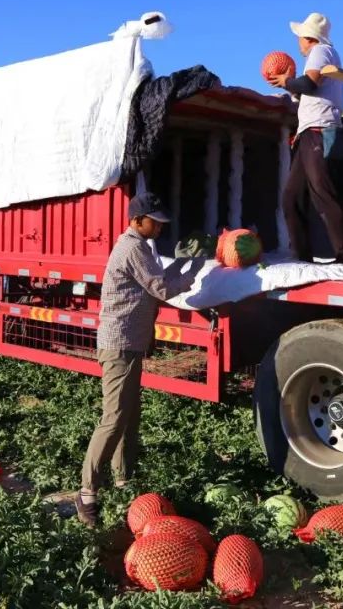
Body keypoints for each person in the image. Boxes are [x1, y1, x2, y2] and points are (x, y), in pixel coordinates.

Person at [76, 192, 199, 527]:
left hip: (129, 345)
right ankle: (87, 493)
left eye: (161, 223)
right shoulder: (132, 248)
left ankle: (123, 481)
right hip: (120, 345)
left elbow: (155, 279)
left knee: (129, 417)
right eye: (154, 222)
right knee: (114, 418)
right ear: (136, 220)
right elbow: (162, 288)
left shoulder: (140, 247)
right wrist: (194, 271)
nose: (159, 228)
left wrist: (179, 263)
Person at [268, 12, 343, 263]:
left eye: (300, 37)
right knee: (291, 197)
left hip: (319, 130)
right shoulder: (323, 54)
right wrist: (290, 86)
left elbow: (309, 84)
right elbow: (307, 91)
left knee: (322, 193)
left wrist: (287, 81)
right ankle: (302, 256)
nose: (298, 42)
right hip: (309, 132)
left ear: (309, 38)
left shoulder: (320, 51)